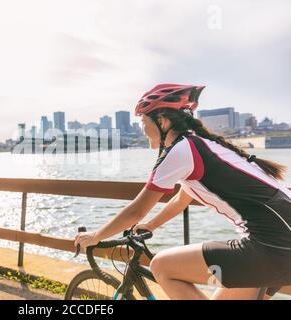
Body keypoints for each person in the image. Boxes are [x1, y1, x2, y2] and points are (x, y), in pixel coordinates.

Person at [74, 84, 291, 300]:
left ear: (162, 120)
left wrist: (95, 236)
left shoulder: (181, 150)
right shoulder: (200, 145)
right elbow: (182, 199)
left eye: (143, 122)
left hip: (270, 247)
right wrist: (151, 226)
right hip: (280, 246)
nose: (142, 129)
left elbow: (137, 211)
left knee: (161, 266)